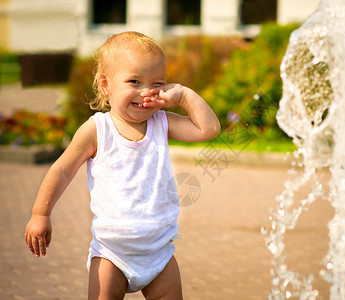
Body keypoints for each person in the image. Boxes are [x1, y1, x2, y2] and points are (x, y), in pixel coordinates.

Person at [24, 31, 220, 299]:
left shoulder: (162, 123)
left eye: (157, 83)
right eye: (134, 81)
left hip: (159, 251)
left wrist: (184, 95)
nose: (146, 92)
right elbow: (61, 170)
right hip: (112, 252)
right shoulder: (97, 130)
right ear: (106, 85)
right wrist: (40, 214)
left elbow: (208, 129)